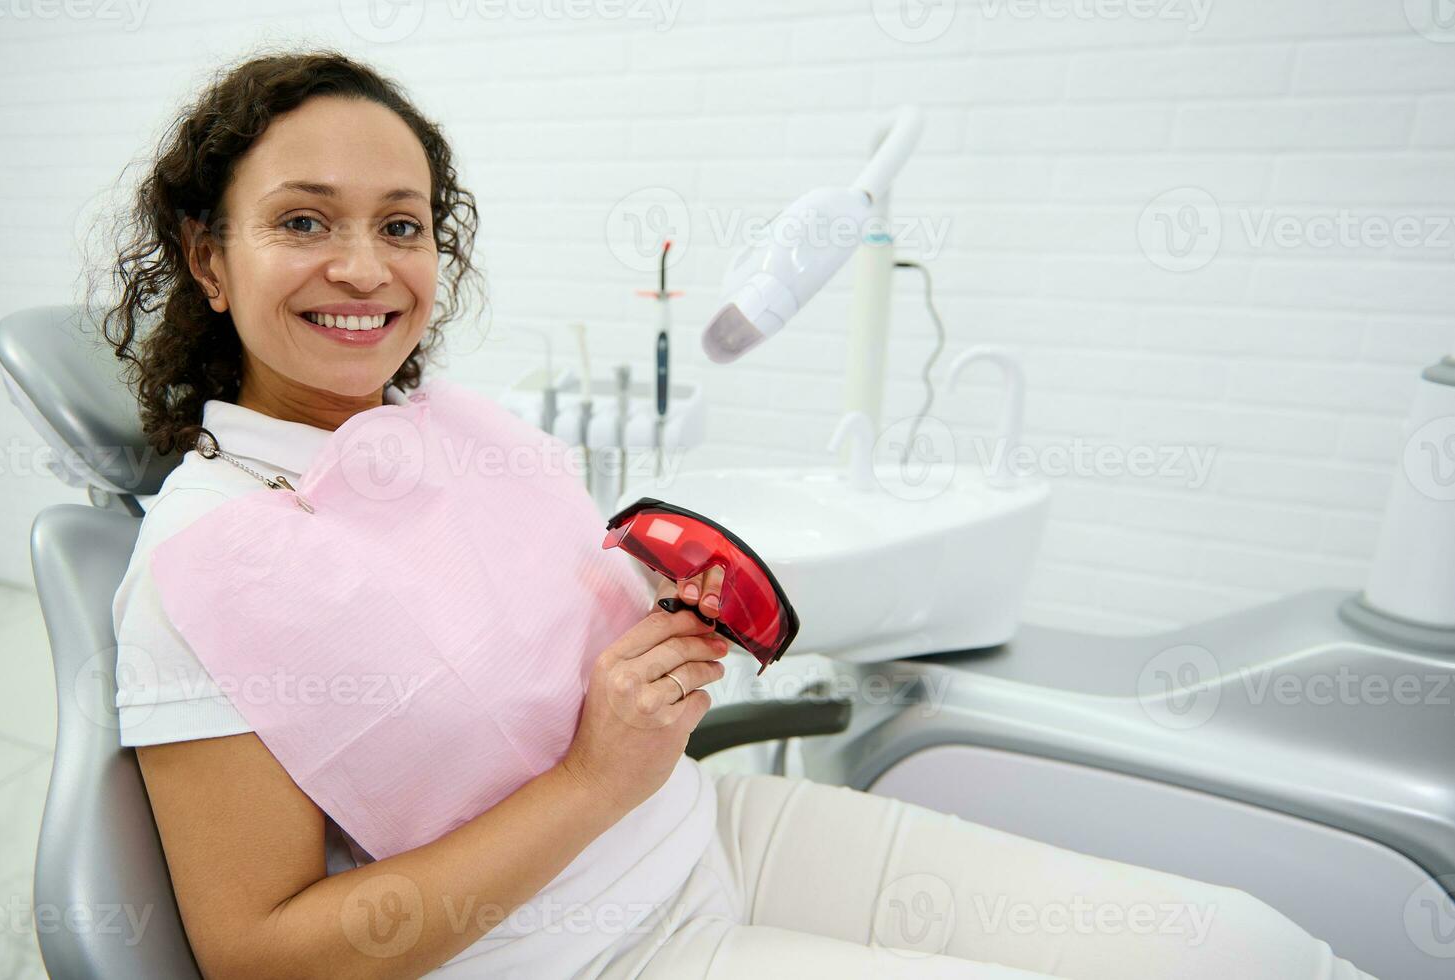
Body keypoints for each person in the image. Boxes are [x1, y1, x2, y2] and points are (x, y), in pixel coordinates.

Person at [99, 47, 1378, 980]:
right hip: (576, 948)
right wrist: (601, 774)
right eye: (302, 222)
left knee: (1253, 949)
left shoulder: (453, 431)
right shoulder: (204, 567)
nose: (367, 267)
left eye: (404, 224)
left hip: (704, 826)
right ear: (209, 257)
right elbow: (258, 953)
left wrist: (652, 638)